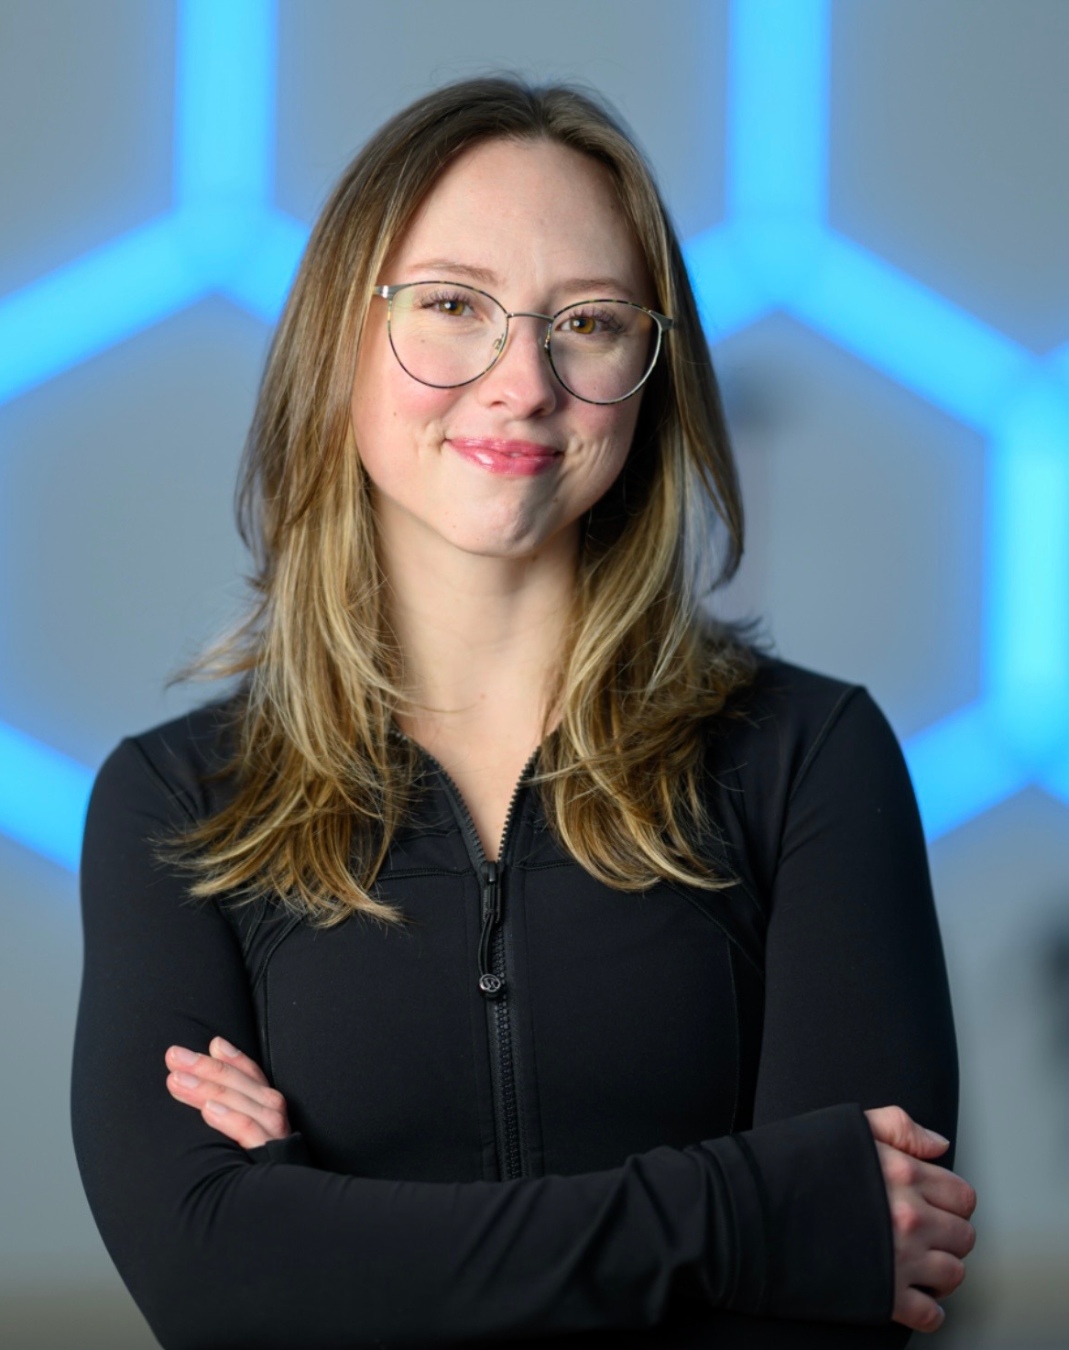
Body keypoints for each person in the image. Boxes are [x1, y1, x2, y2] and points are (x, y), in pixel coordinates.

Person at [71, 76, 975, 1349]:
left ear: (650, 376)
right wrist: (747, 1212)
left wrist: (330, 1231)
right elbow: (218, 1282)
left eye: (590, 323)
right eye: (450, 306)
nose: (522, 381)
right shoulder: (177, 804)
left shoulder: (810, 760)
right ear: (340, 337)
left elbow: (852, 1292)